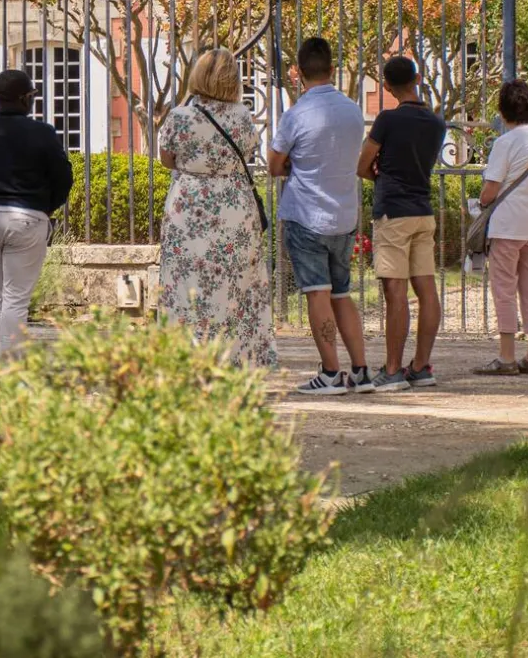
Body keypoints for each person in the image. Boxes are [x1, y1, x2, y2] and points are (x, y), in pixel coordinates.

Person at [156, 48, 277, 366]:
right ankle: (234, 358)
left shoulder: (180, 116)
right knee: (235, 285)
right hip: (234, 206)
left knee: (185, 283)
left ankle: (187, 356)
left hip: (189, 205)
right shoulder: (242, 116)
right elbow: (249, 151)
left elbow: (166, 158)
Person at [268, 37, 373, 395]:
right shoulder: (353, 110)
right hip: (343, 214)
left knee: (317, 294)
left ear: (298, 74)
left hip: (307, 213)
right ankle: (361, 370)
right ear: (332, 69)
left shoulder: (296, 115)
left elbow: (274, 164)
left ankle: (331, 371)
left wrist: (296, 165)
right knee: (342, 293)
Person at [0, 69, 74, 359]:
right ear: (26, 98)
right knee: (15, 299)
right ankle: (11, 372)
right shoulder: (42, 133)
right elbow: (63, 176)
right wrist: (47, 206)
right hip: (27, 215)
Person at [357, 56, 447, 391]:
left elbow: (363, 164)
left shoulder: (387, 120)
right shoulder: (436, 123)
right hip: (423, 209)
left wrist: (378, 177)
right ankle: (421, 365)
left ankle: (393, 369)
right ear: (418, 78)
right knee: (427, 289)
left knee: (394, 290)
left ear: (386, 85)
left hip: (393, 211)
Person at [472, 80, 528, 375]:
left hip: (508, 227)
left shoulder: (505, 142)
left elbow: (491, 189)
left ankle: (507, 356)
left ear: (502, 111)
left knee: (504, 289)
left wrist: (480, 203)